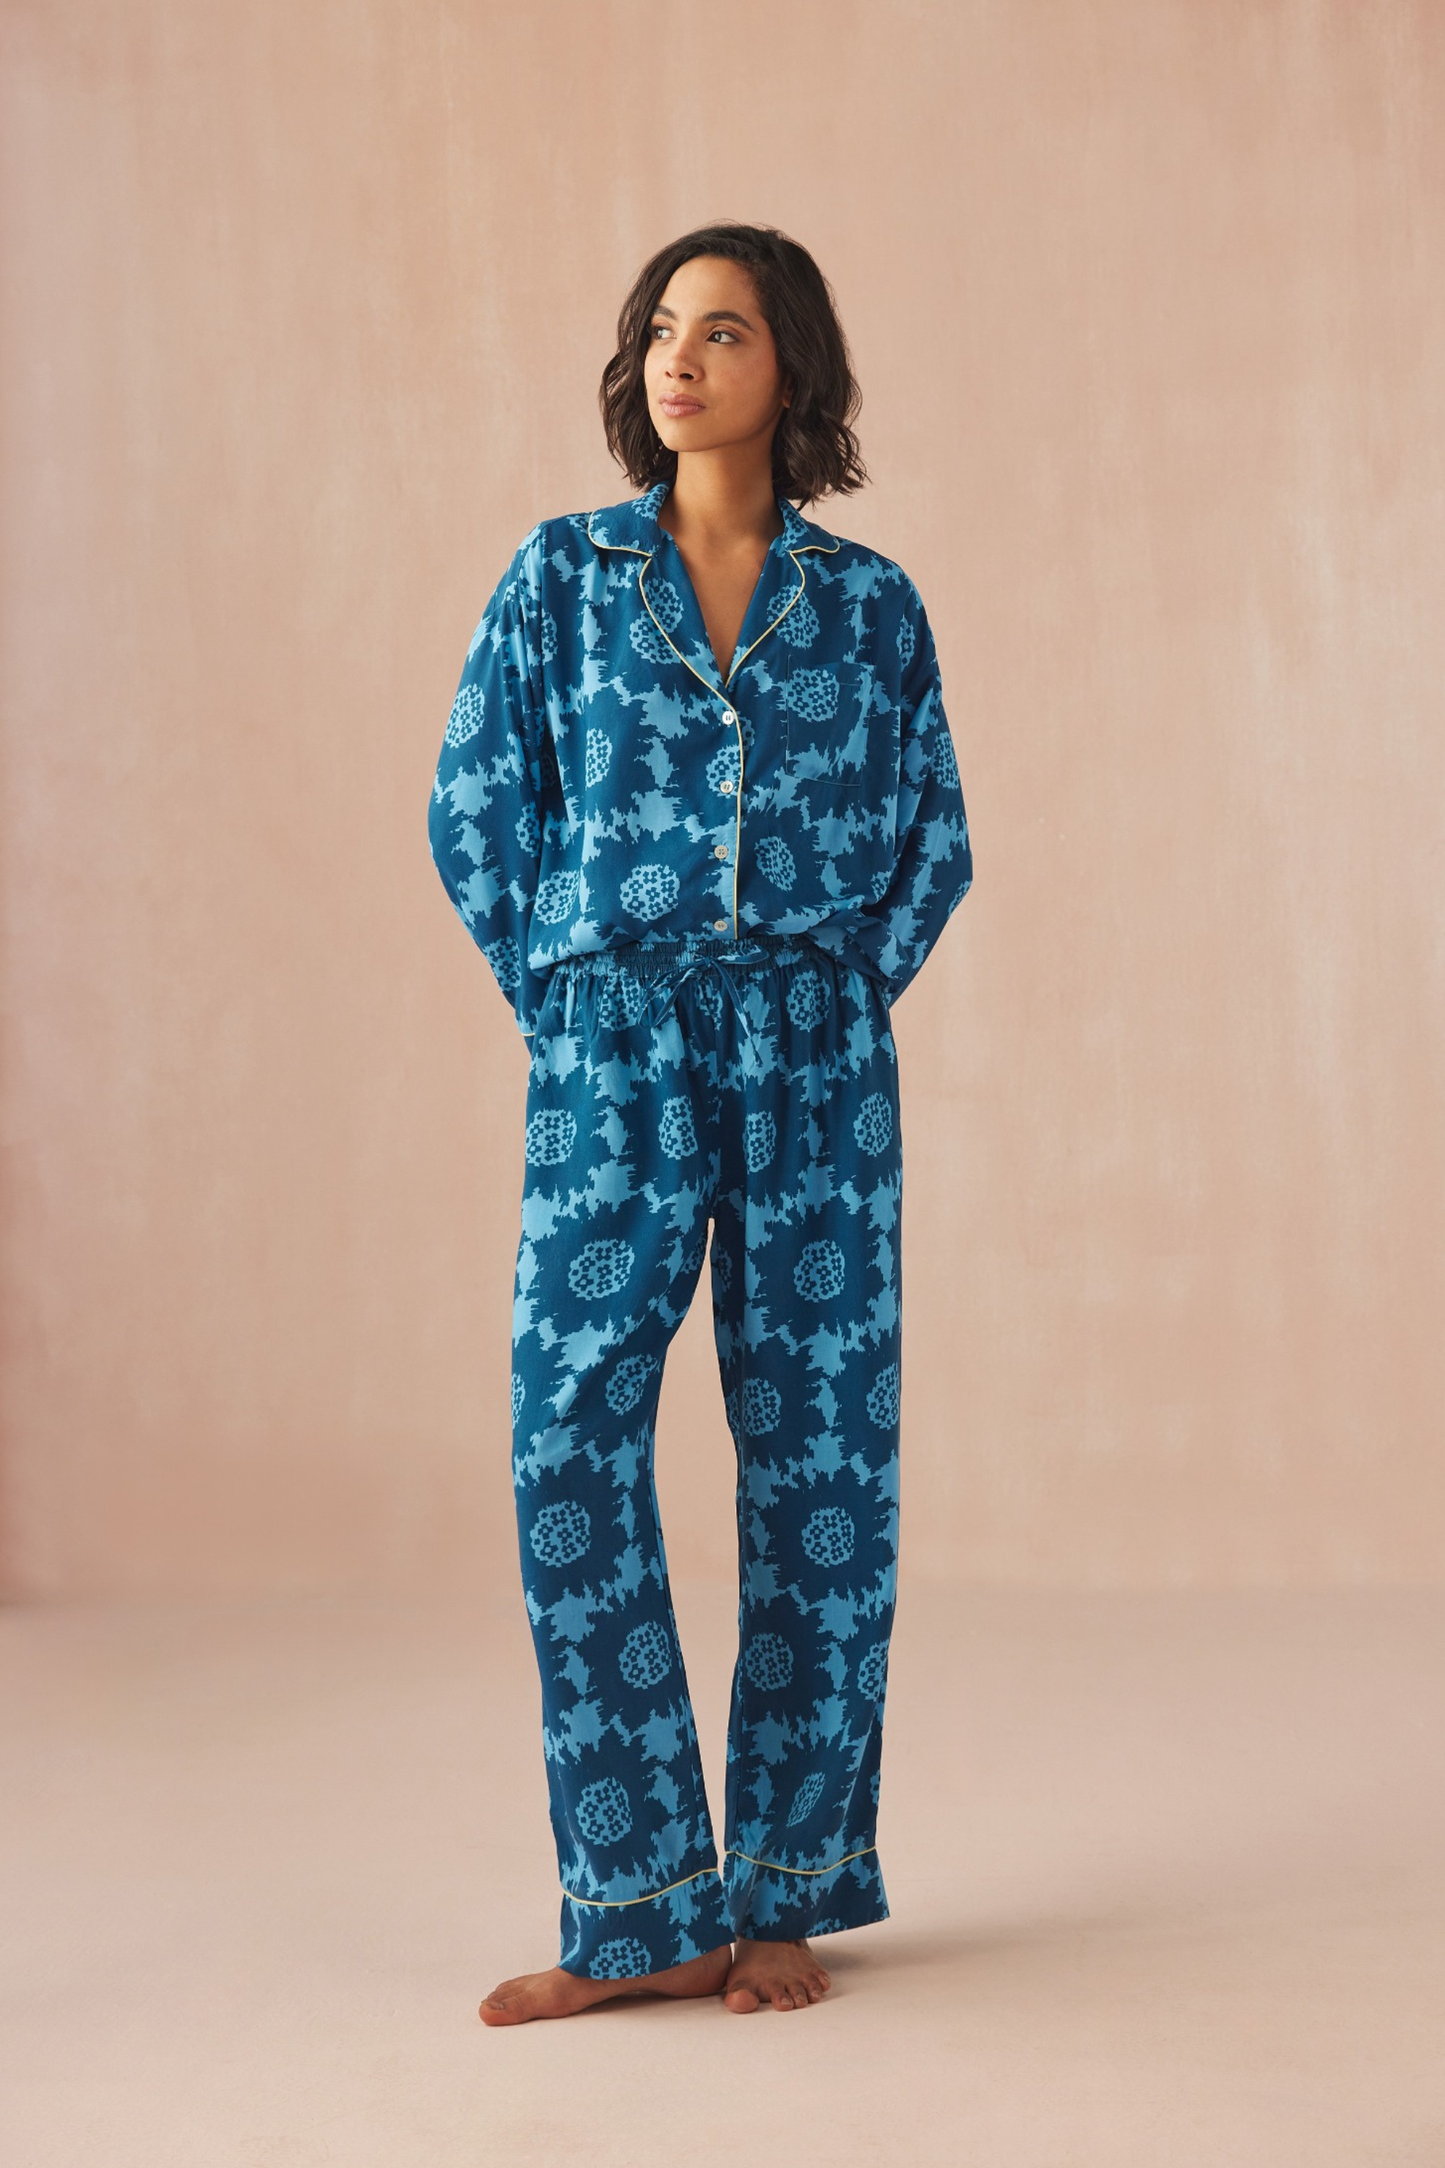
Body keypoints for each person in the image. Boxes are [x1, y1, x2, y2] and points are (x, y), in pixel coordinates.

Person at [427, 222, 972, 2023]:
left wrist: (835, 994)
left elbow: (935, 836)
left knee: (821, 1467)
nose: (680, 358)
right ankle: (645, 1902)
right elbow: (474, 804)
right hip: (616, 1052)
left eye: (723, 331)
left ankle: (786, 1890)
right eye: (662, 329)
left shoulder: (871, 606)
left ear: (789, 365)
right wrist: (569, 995)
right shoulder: (563, 578)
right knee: (567, 1439)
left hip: (813, 1058)